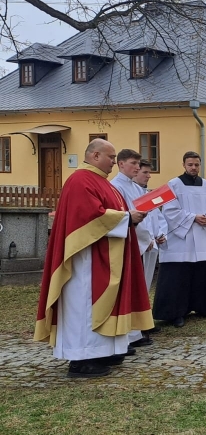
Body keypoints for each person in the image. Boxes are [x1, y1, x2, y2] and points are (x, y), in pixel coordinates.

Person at [34, 139, 153, 377]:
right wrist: (127, 218)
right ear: (95, 155)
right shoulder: (81, 180)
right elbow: (88, 216)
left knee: (100, 305)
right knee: (84, 307)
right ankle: (81, 360)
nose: (113, 162)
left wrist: (127, 218)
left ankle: (102, 353)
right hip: (85, 261)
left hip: (104, 256)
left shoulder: (101, 182)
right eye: (111, 158)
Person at [152, 151, 206, 327]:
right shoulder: (173, 185)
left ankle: (202, 307)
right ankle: (176, 312)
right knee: (179, 276)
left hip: (202, 235)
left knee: (201, 273)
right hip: (181, 239)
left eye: (196, 164)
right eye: (190, 164)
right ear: (183, 165)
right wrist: (193, 217)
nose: (193, 167)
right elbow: (169, 210)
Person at [110, 149, 157, 347]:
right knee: (126, 290)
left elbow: (146, 215)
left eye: (138, 164)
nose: (137, 167)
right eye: (133, 163)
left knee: (138, 289)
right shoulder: (115, 187)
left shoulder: (136, 188)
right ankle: (125, 336)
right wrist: (143, 237)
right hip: (127, 242)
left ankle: (136, 332)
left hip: (141, 241)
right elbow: (123, 217)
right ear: (121, 164)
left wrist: (149, 237)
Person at [133, 159, 167, 292]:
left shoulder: (148, 195)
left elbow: (159, 218)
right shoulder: (130, 194)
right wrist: (146, 240)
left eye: (149, 172)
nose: (149, 176)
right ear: (136, 172)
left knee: (146, 284)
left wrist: (161, 234)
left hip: (152, 245)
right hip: (139, 246)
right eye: (145, 172)